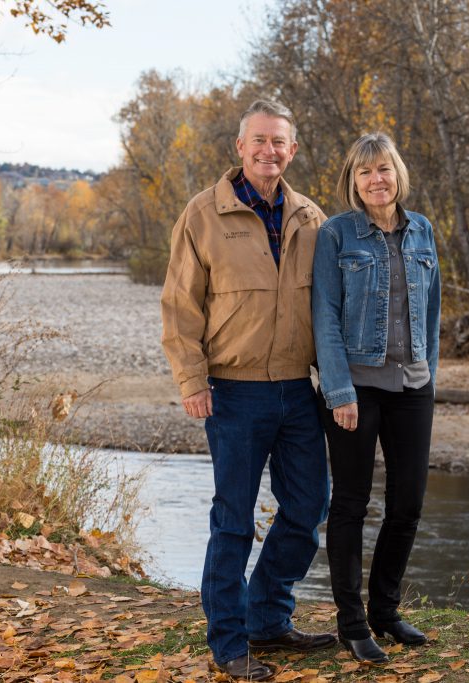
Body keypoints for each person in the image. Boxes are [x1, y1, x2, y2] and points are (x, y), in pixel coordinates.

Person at [161, 100, 337, 680]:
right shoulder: (202, 213)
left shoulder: (311, 218)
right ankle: (230, 643)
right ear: (240, 146)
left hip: (297, 389)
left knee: (309, 506)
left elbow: (329, 308)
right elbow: (180, 305)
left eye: (279, 142)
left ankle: (267, 615)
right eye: (258, 140)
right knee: (233, 519)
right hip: (234, 394)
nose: (269, 150)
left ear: (293, 149)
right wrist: (192, 380)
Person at [311, 132, 441, 663]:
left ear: (397, 174)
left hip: (412, 388)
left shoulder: (422, 230)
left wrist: (428, 371)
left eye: (383, 169)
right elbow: (325, 316)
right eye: (365, 172)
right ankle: (352, 623)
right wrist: (339, 390)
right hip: (356, 391)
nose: (376, 180)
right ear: (353, 180)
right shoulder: (336, 235)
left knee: (407, 504)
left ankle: (385, 611)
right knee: (349, 504)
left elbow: (431, 311)